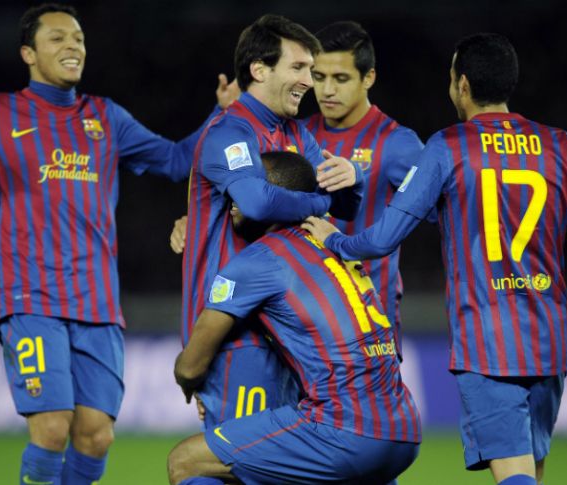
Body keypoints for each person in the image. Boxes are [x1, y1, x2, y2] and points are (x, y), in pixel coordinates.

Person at [0, 4, 221, 484]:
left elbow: (176, 160)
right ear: (28, 53)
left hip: (98, 303)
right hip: (31, 299)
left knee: (95, 436)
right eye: (57, 38)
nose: (72, 46)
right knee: (52, 428)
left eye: (78, 38)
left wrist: (224, 115)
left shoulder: (105, 117)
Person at [303, 33, 567, 485]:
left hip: (488, 339)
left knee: (514, 474)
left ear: (463, 85)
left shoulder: (449, 146)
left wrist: (336, 241)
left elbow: (383, 238)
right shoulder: (561, 146)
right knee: (532, 468)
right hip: (549, 338)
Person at [169, 151, 420, 485]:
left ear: (269, 199)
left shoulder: (260, 260)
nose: (233, 198)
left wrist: (190, 382)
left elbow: (191, 366)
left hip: (343, 429)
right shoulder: (331, 242)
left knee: (185, 461)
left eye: (245, 188)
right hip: (403, 426)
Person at [180, 14, 364, 430]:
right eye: (298, 68)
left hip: (292, 330)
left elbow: (345, 204)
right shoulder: (229, 133)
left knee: (285, 457)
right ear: (259, 70)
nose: (309, 81)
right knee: (239, 458)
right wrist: (319, 202)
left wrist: (355, 174)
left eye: (310, 70)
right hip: (237, 333)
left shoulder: (297, 135)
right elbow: (257, 203)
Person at [303, 20, 426, 359]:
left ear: (368, 77)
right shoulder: (297, 134)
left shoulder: (398, 144)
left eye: (340, 78)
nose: (327, 90)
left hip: (369, 319)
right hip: (304, 318)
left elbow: (444, 211)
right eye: (319, 77)